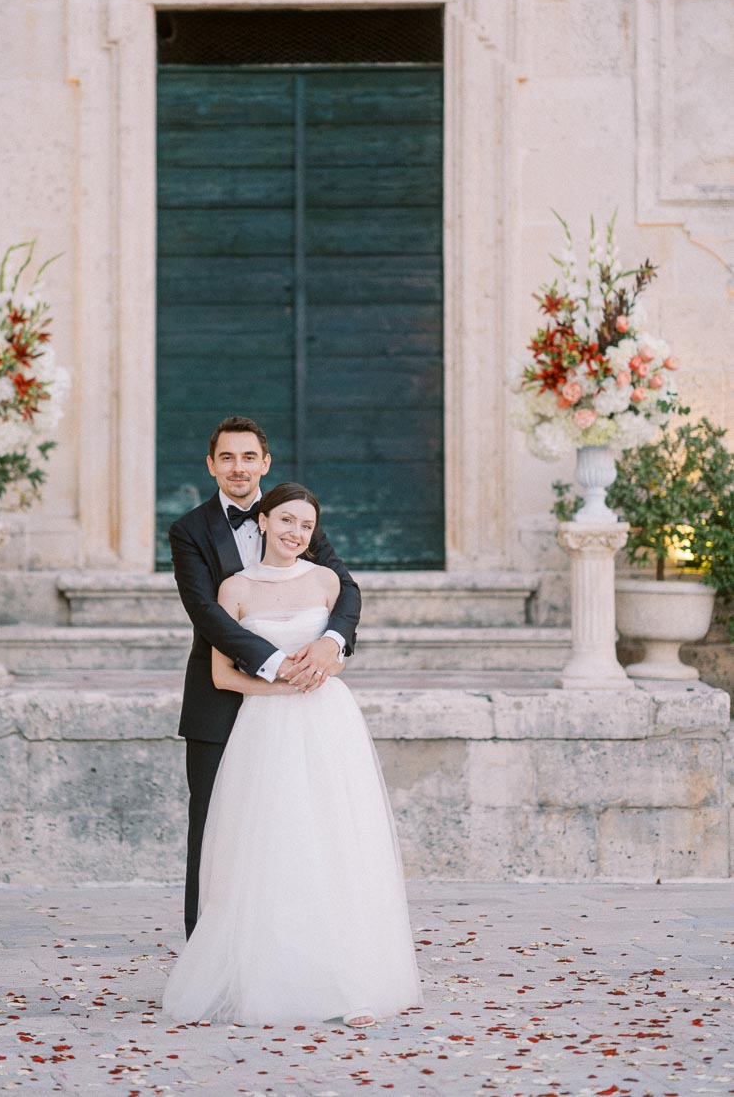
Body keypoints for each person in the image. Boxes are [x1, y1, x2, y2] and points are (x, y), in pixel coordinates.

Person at [163, 483, 421, 1026]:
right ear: (262, 522)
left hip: (328, 724)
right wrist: (281, 686)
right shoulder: (232, 588)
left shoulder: (327, 580)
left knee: (334, 841)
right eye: (285, 521)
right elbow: (219, 674)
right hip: (264, 727)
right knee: (272, 844)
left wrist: (327, 660)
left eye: (305, 525)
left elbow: (342, 650)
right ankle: (266, 976)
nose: (295, 533)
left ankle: (348, 981)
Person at [169, 417, 361, 940]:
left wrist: (329, 642)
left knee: (299, 828)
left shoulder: (292, 515)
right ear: (211, 465)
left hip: (303, 709)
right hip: (222, 700)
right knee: (214, 830)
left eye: (248, 457)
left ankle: (293, 942)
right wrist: (280, 667)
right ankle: (205, 951)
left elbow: (345, 589)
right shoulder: (189, 531)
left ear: (265, 463)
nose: (238, 467)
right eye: (227, 458)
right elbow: (206, 613)